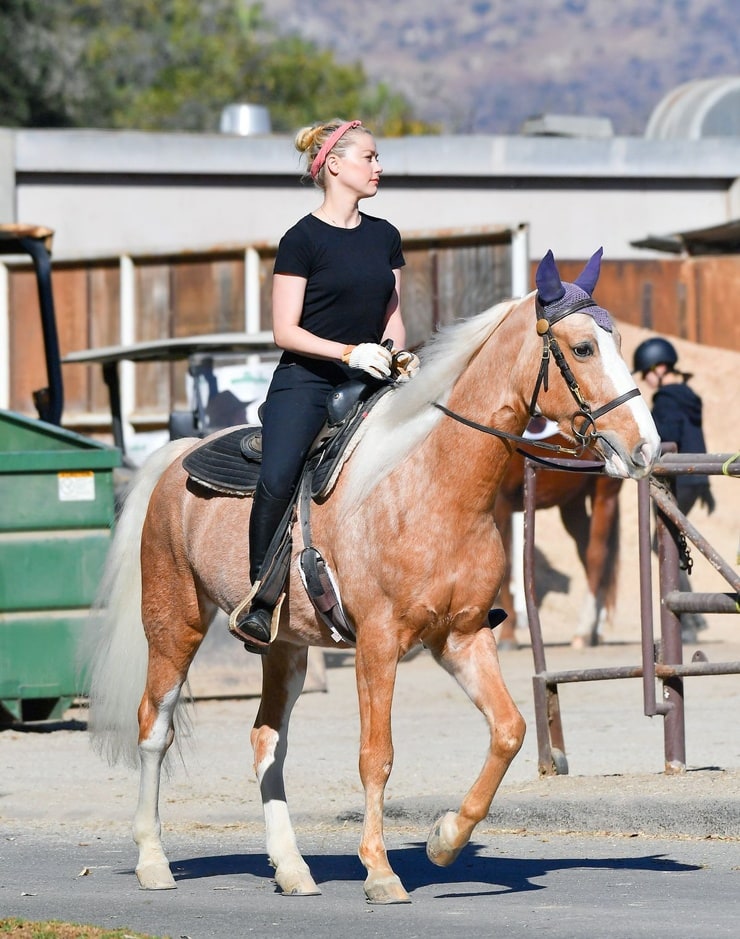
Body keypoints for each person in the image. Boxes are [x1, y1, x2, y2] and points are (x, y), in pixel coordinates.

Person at [230, 118, 419, 654]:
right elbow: (283, 330)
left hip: (373, 379)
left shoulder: (385, 236)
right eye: (370, 158)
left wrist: (399, 357)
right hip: (307, 380)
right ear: (334, 165)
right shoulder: (301, 239)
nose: (379, 167)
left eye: (378, 159)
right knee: (279, 471)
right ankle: (260, 601)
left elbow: (393, 317)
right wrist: (346, 352)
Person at [633, 336, 715, 640]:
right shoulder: (687, 396)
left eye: (646, 372)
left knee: (664, 545)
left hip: (679, 480)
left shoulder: (667, 400)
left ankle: (689, 620)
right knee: (670, 543)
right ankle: (691, 619)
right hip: (693, 479)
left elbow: (666, 436)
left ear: (660, 367)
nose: (645, 380)